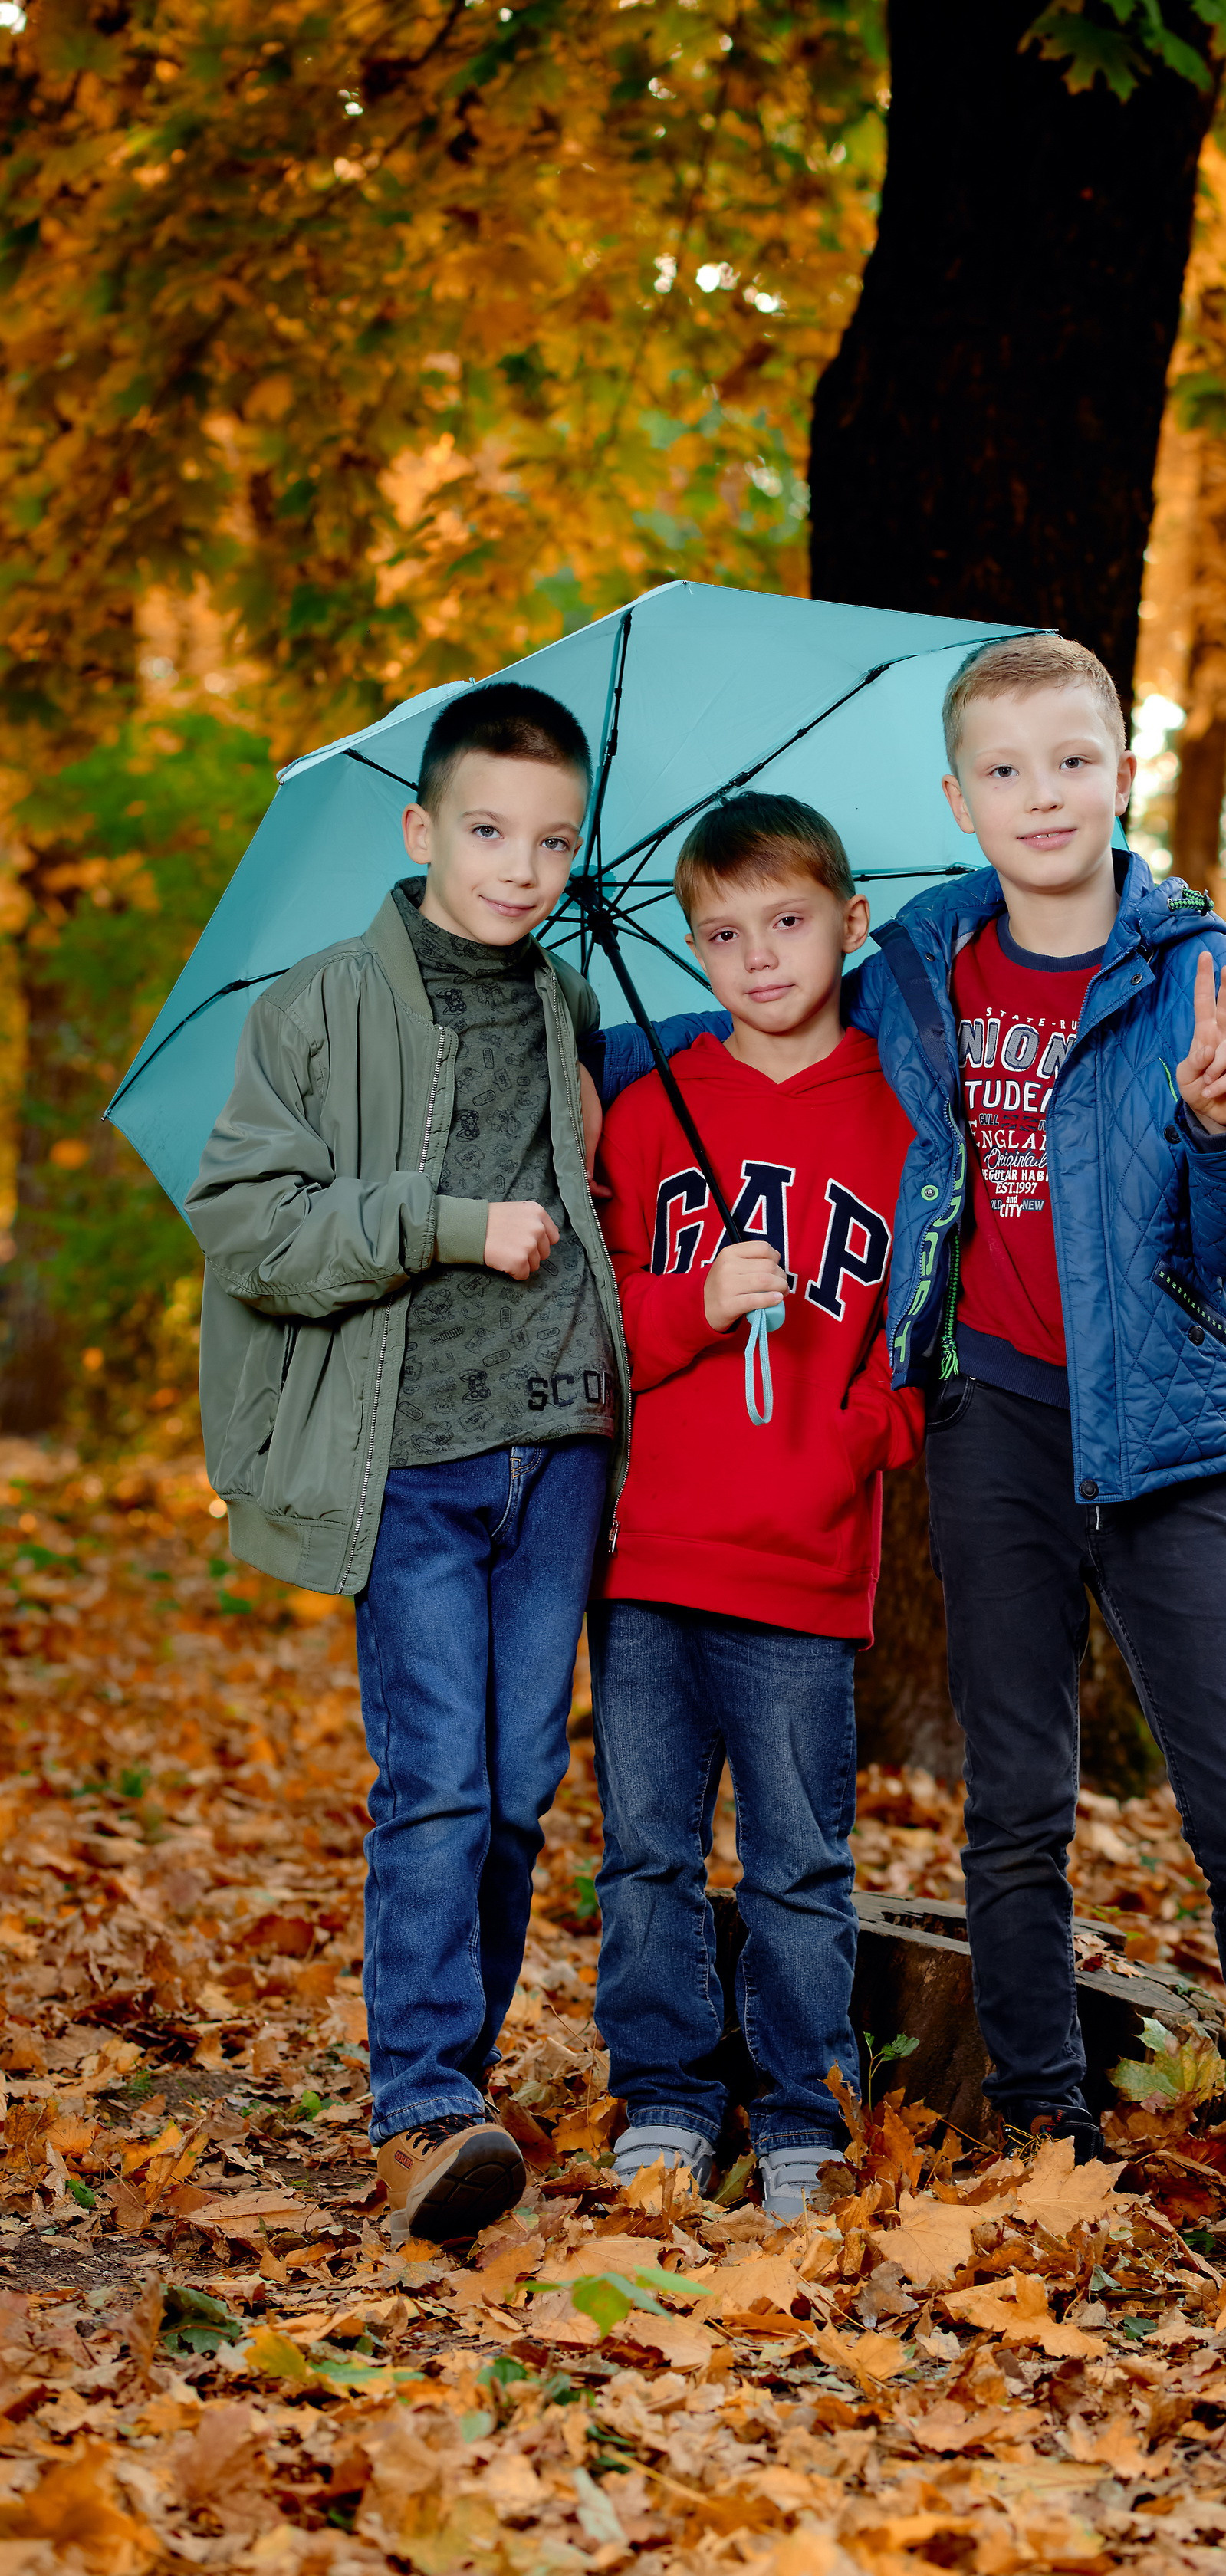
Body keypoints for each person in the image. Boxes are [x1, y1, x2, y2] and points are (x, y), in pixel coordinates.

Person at [843, 633, 1226, 2282]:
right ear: (957, 801)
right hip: (995, 1422)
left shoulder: (1195, 970)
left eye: (1069, 762)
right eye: (1002, 773)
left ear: (1122, 774)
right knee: (1013, 1804)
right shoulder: (926, 957)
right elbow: (781, 1025)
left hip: (1166, 1434)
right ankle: (1048, 2135)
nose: (1039, 798)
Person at [186, 682, 698, 2246]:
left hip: (558, 1453)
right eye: (488, 831)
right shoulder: (319, 1006)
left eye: (552, 840)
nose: (522, 865)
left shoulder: (564, 999)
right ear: (422, 833)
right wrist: (442, 1224)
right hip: (407, 1460)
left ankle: (458, 2081)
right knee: (437, 1784)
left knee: (522, 1790)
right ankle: (419, 2095)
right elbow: (249, 1223)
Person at [589, 793, 922, 2222]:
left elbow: (924, 1341)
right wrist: (696, 1303)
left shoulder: (904, 1119)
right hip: (652, 1551)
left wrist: (850, 1440)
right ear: (690, 950)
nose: (762, 958)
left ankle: (801, 2110)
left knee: (798, 1864)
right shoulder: (650, 1109)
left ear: (849, 924)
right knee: (648, 1848)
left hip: (801, 1564)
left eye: (789, 923)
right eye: (724, 934)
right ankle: (664, 2096)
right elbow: (591, 1326)